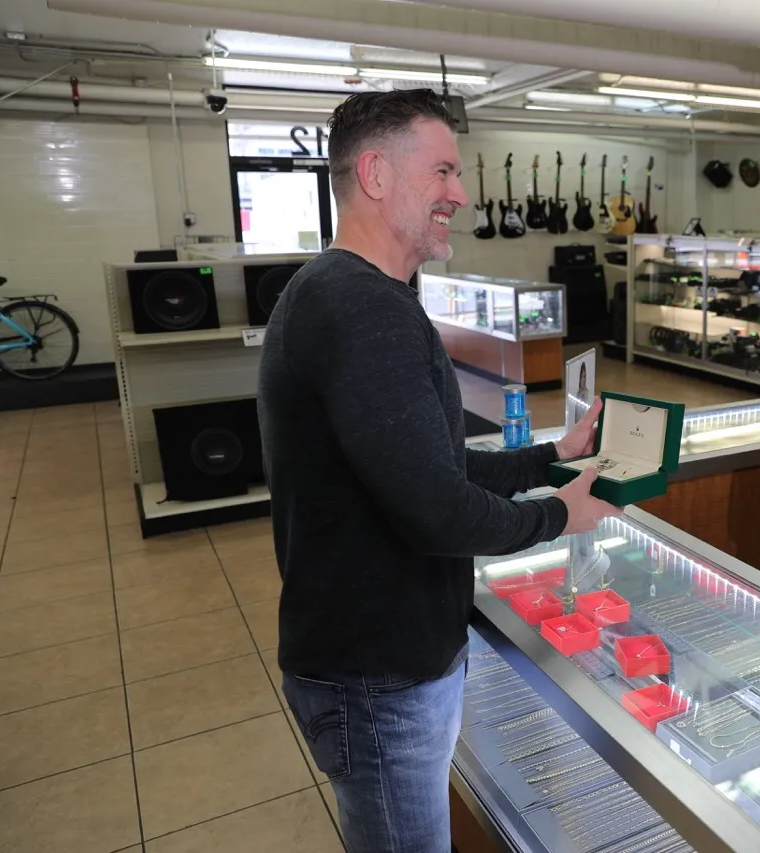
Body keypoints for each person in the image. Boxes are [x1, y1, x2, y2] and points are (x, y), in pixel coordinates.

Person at [256, 89, 620, 853]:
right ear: (378, 173)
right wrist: (560, 514)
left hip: (369, 661)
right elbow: (436, 511)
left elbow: (431, 464)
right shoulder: (363, 309)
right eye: (445, 171)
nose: (461, 192)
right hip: (377, 675)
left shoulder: (346, 293)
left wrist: (550, 458)